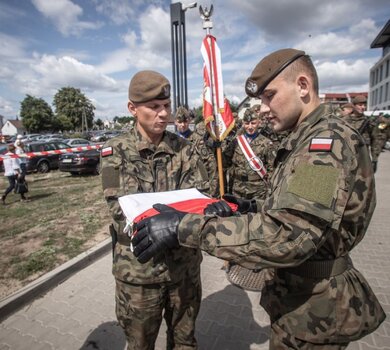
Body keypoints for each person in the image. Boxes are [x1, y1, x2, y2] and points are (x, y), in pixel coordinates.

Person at [131, 49, 386, 349]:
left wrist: (183, 227)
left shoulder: (323, 147)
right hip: (302, 301)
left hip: (315, 312)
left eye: (270, 95)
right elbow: (299, 212)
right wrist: (249, 208)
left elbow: (290, 236)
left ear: (302, 86)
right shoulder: (308, 138)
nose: (263, 108)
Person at [100, 70, 209, 350]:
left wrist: (172, 218)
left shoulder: (184, 149)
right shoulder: (116, 152)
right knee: (139, 345)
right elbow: (120, 209)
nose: (164, 114)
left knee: (185, 342)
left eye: (167, 106)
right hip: (139, 275)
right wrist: (176, 216)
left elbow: (199, 201)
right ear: (132, 109)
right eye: (154, 107)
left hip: (183, 270)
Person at [224, 109, 276, 200]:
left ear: (259, 123)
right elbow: (225, 162)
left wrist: (270, 190)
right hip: (237, 188)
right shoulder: (236, 142)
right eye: (247, 123)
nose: (250, 127)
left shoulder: (267, 143)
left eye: (253, 123)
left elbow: (271, 170)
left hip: (258, 190)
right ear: (243, 124)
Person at [344, 95, 376, 168]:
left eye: (364, 105)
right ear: (353, 106)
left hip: (363, 160)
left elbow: (375, 141)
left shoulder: (369, 122)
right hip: (346, 158)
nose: (363, 107)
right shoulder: (344, 121)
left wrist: (374, 159)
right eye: (360, 105)